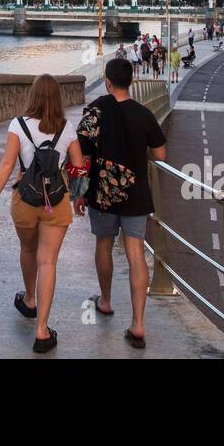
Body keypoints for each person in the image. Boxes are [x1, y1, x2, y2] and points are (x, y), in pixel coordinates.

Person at [0, 74, 85, 353]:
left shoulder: (18, 125)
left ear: (33, 96)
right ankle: (41, 330)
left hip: (24, 200)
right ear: (58, 98)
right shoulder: (68, 128)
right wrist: (79, 197)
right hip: (57, 200)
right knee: (47, 262)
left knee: (28, 250)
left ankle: (29, 299)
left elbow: (6, 164)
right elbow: (77, 168)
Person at [75, 58, 168, 349]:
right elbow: (161, 155)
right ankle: (138, 324)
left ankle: (105, 300)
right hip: (136, 194)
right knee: (135, 252)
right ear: (130, 81)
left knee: (103, 245)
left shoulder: (95, 111)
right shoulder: (144, 114)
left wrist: (78, 192)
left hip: (101, 194)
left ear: (108, 81)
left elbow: (82, 156)